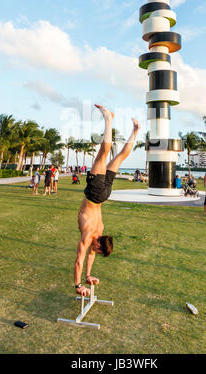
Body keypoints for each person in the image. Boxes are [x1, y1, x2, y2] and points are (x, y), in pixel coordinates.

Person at [74, 104, 140, 297]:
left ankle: (135, 131)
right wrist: (78, 285)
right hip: (95, 194)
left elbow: (89, 256)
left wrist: (88, 276)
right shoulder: (89, 235)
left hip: (104, 195)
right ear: (98, 243)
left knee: (119, 158)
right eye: (97, 250)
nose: (94, 252)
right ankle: (108, 119)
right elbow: (79, 260)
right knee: (103, 154)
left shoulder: (100, 233)